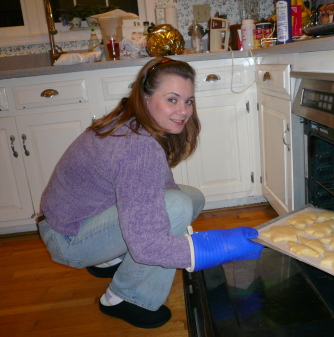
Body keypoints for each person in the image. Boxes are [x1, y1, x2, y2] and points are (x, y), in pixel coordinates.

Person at [37, 57, 264, 329]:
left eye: (188, 100)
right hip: (68, 239)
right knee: (177, 206)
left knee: (191, 198)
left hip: (76, 219)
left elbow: (160, 185)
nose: (184, 111)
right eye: (172, 99)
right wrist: (218, 248)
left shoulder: (132, 123)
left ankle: (108, 258)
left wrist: (181, 233)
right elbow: (148, 246)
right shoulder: (137, 146)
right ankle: (125, 297)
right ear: (145, 98)